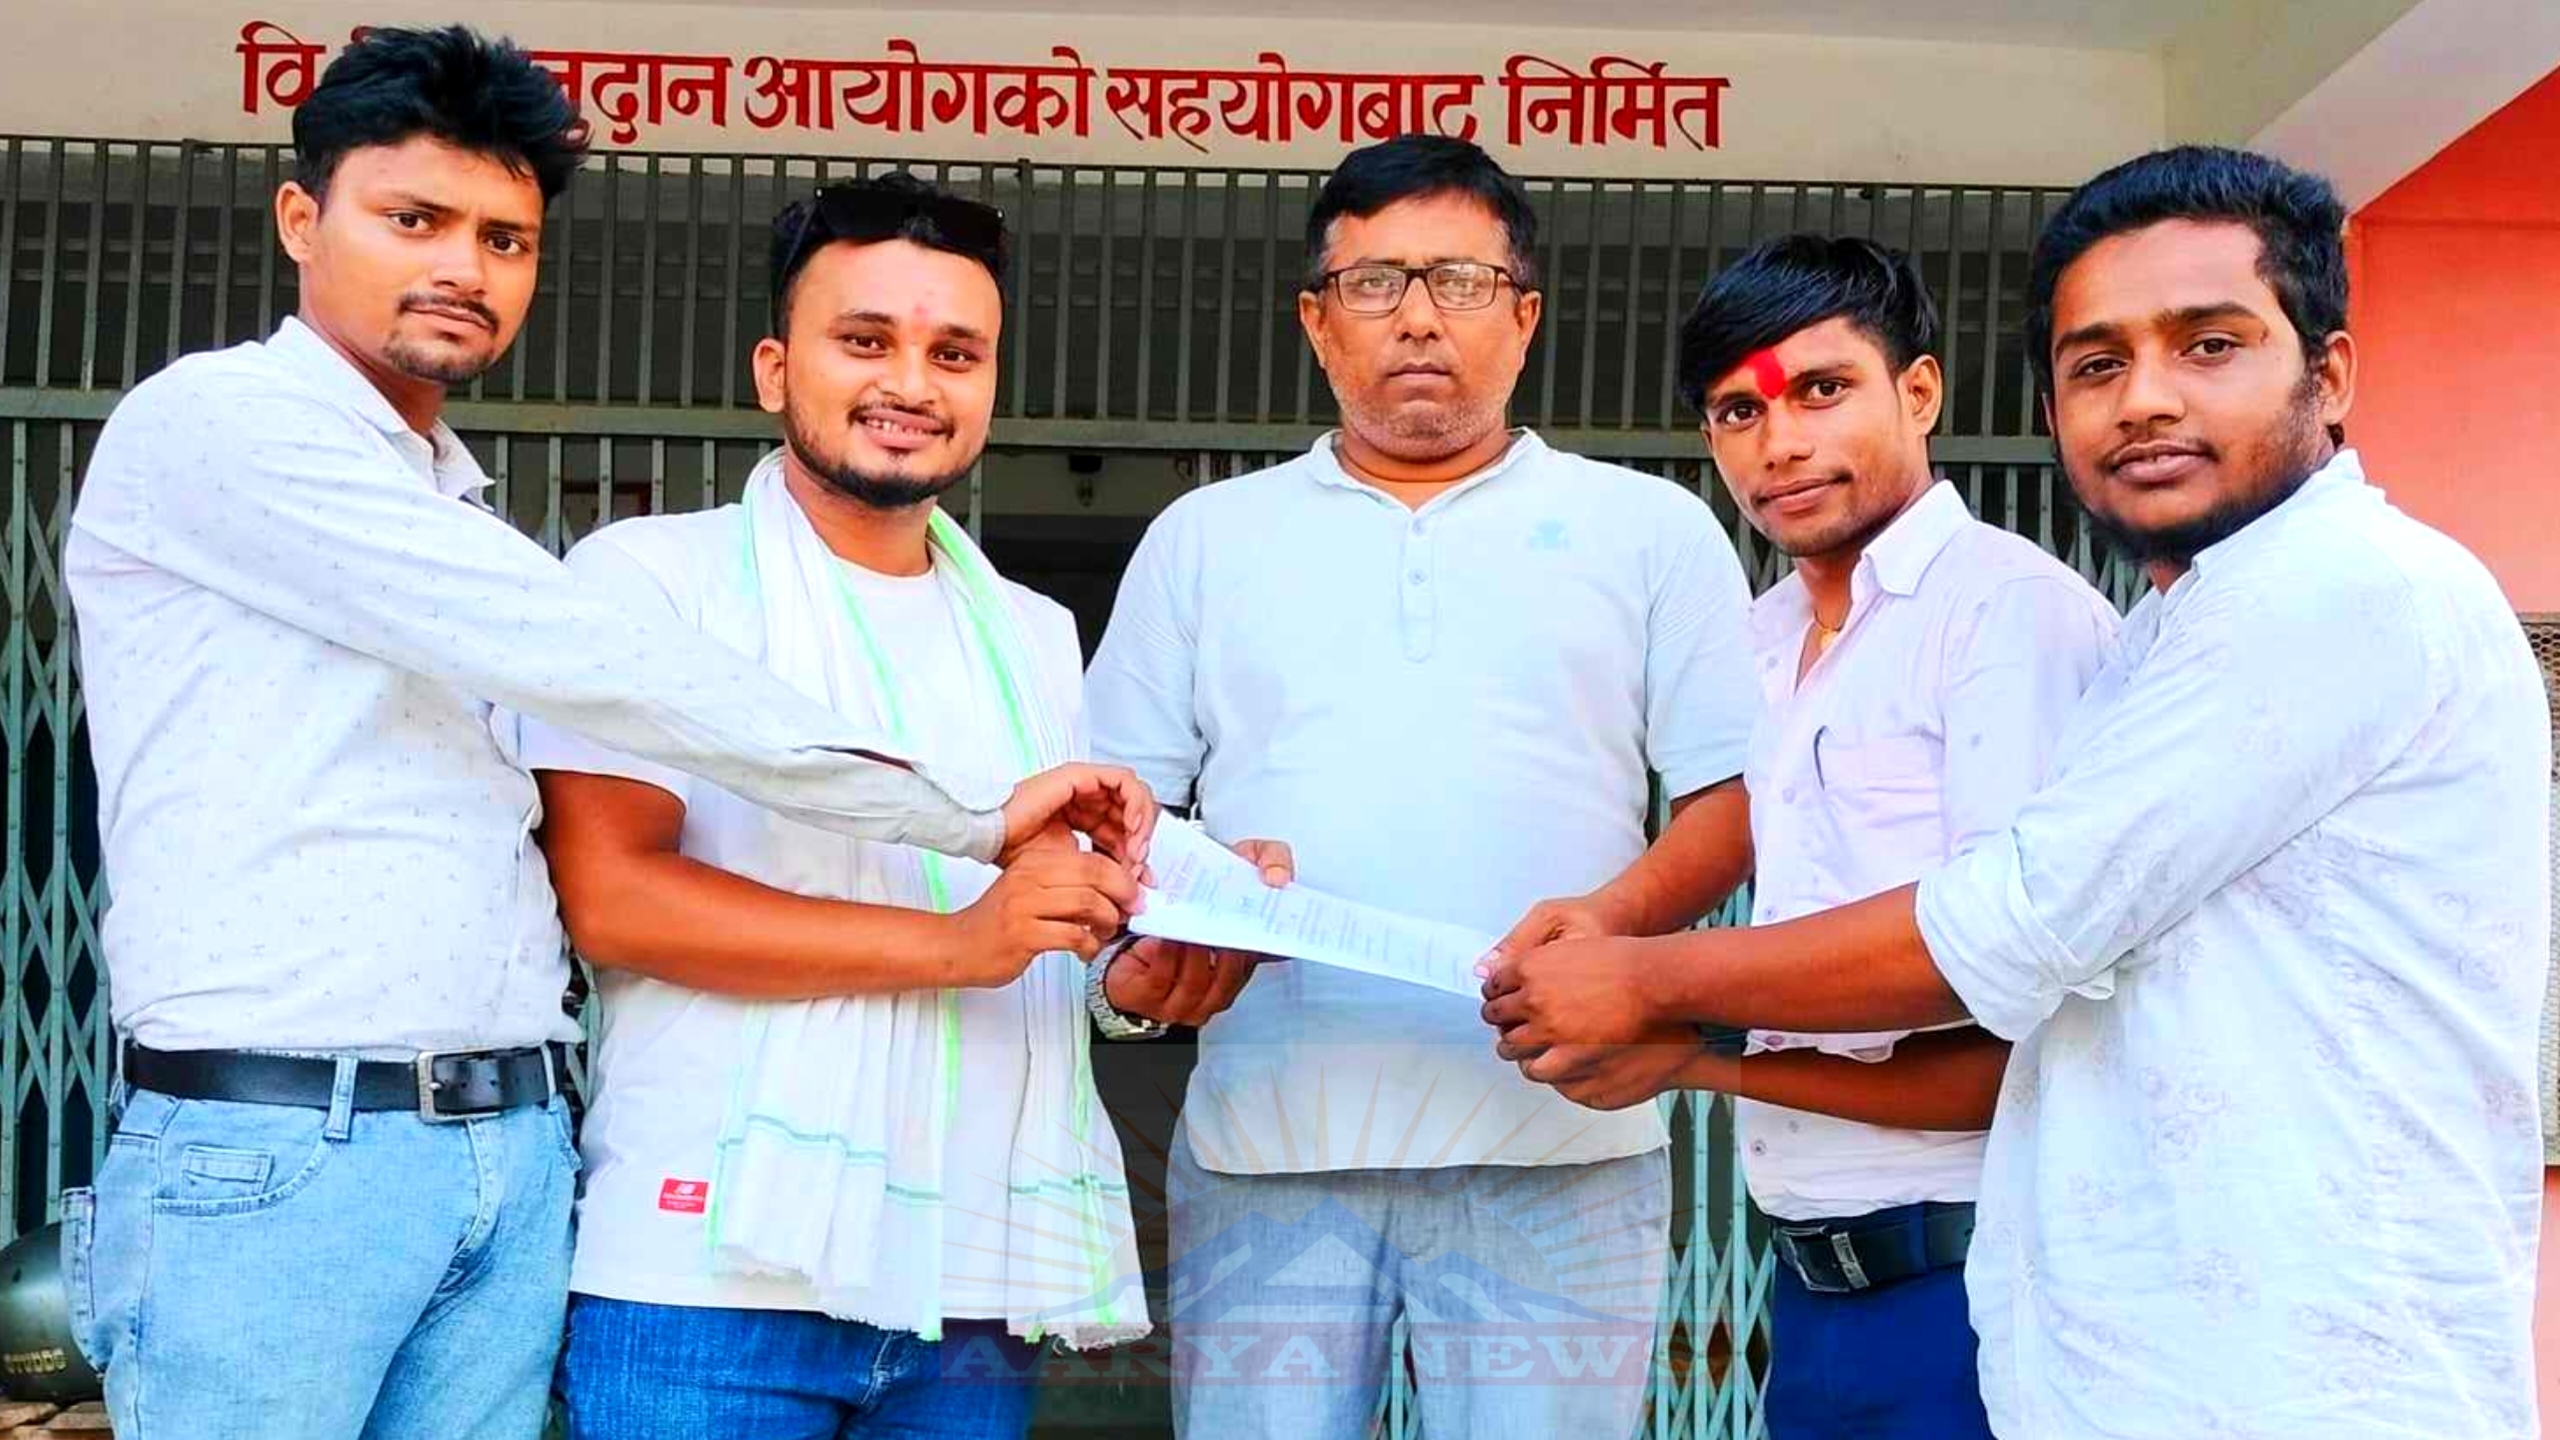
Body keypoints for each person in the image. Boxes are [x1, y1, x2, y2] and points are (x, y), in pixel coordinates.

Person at [58, 29, 1151, 1440]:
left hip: (508, 1141)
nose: (463, 267)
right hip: (287, 1141)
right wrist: (969, 820)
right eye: (413, 220)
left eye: (504, 239)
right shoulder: (220, 426)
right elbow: (597, 674)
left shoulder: (449, 493)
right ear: (299, 219)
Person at [1485, 146, 2552, 1439]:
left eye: (2209, 345)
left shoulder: (2327, 593)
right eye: (2097, 365)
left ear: (2326, 374)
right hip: (2110, 1343)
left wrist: (1653, 992)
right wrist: (1627, 954)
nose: (2143, 400)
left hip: (2300, 1369)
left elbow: (2013, 929)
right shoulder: (2171, 630)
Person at [526, 173, 1251, 1439]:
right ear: (774, 369)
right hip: (706, 1277)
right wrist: (960, 946)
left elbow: (1030, 933)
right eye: (865, 340)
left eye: (954, 353)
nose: (910, 383)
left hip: (970, 1281)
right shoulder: (651, 579)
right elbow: (616, 899)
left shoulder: (1031, 634)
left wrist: (1137, 971)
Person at [1085, 133, 1758, 1440]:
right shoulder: (1206, 541)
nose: (1417, 320)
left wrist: (1608, 930)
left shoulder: (1651, 531)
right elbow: (1115, 813)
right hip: (1269, 1155)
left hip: (1563, 1149)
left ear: (1524, 316)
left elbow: (1734, 796)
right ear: (1315, 321)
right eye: (1374, 284)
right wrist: (1170, 926)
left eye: (1459, 282)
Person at [1495, 233, 2114, 1438]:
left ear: (1918, 392)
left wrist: (1680, 1036)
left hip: (1979, 1287)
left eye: (1821, 390)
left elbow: (2016, 1034)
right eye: (1739, 411)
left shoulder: (2007, 617)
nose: (1777, 443)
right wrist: (1609, 921)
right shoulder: (1766, 639)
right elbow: (1735, 825)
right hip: (1814, 1291)